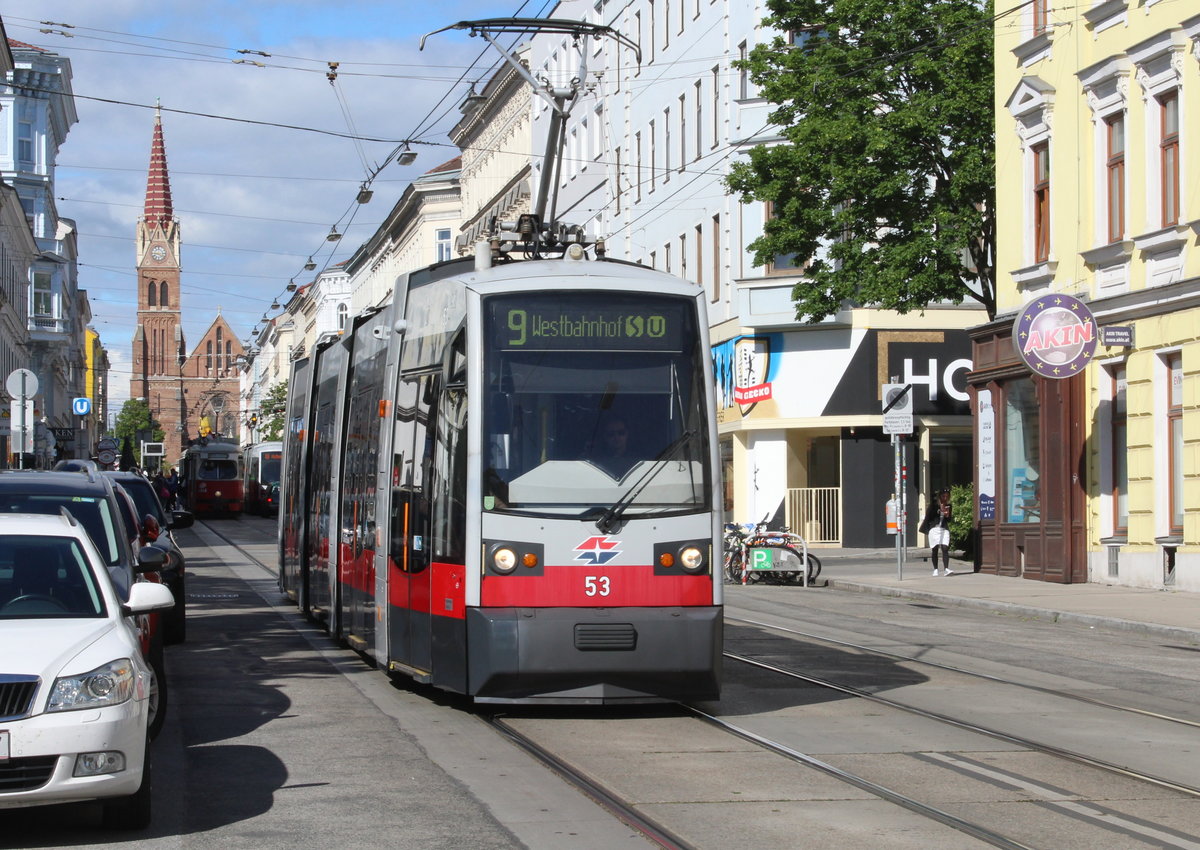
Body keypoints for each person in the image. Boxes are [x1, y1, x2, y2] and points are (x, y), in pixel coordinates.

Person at [920, 488, 954, 576]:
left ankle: (946, 569)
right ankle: (935, 569)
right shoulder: (934, 505)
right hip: (934, 529)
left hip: (944, 528)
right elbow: (929, 516)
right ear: (940, 496)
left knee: (945, 548)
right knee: (934, 549)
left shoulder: (949, 506)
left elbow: (949, 520)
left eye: (947, 497)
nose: (945, 498)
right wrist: (939, 511)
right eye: (943, 496)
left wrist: (947, 515)